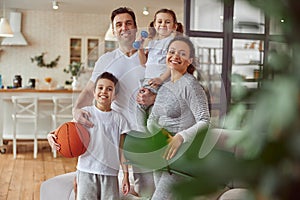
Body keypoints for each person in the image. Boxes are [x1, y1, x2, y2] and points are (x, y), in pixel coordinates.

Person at [46, 7, 155, 199]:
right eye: (118, 24)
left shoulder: (149, 58)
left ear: (135, 28)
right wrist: (76, 110)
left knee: (148, 188)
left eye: (128, 23)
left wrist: (152, 98)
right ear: (113, 31)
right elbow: (90, 91)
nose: (124, 28)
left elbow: (164, 91)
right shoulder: (106, 60)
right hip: (116, 132)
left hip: (143, 132)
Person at [136, 36, 211, 199]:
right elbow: (153, 118)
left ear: (189, 60)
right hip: (161, 157)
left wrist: (180, 137)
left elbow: (205, 120)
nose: (175, 56)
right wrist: (155, 135)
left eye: (182, 53)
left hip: (181, 159)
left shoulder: (191, 85)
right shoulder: (165, 86)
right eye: (172, 52)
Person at [76, 72, 130, 199]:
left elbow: (123, 151)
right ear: (94, 93)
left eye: (109, 89)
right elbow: (67, 132)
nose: (104, 91)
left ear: (115, 95)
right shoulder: (85, 114)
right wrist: (51, 137)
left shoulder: (120, 119)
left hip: (110, 174)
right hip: (86, 170)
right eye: (100, 88)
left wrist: (126, 176)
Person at [137, 8, 184, 94]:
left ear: (174, 26)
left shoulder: (173, 42)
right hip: (149, 81)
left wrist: (161, 79)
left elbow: (173, 65)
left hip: (163, 83)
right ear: (155, 25)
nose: (163, 24)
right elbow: (144, 63)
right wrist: (140, 49)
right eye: (159, 22)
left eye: (167, 22)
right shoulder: (152, 44)